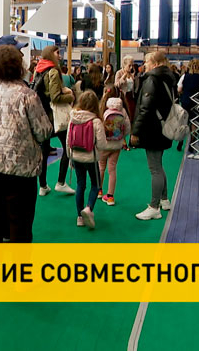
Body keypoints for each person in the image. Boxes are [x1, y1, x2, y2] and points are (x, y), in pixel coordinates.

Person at [0, 45, 53, 242]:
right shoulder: (27, 95)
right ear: (18, 66)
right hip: (20, 170)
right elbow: (43, 132)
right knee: (20, 225)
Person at [131, 52, 177, 220]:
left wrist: (135, 131)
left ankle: (154, 206)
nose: (145, 65)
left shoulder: (152, 79)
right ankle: (164, 199)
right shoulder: (169, 78)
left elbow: (145, 107)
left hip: (153, 129)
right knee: (159, 165)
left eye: (147, 62)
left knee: (155, 168)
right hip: (163, 127)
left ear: (155, 63)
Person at [33, 45, 76, 196]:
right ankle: (61, 182)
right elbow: (55, 97)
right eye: (57, 53)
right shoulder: (53, 71)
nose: (60, 55)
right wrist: (70, 96)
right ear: (51, 54)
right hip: (54, 116)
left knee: (44, 151)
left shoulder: (38, 69)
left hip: (42, 115)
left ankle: (43, 186)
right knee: (67, 147)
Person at [67, 90, 108, 228]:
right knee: (96, 184)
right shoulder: (96, 121)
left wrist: (70, 157)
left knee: (80, 184)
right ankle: (89, 208)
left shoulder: (73, 118)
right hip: (91, 158)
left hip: (76, 157)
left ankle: (79, 216)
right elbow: (102, 144)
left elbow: (68, 141)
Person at [98, 86, 130, 206]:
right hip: (117, 145)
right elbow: (127, 128)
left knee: (101, 167)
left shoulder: (103, 109)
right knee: (112, 169)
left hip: (104, 145)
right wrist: (121, 137)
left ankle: (99, 191)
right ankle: (110, 196)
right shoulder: (123, 110)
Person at [178, 58, 199, 155]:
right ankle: (191, 144)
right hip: (197, 103)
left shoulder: (184, 76)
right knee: (195, 124)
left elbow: (179, 89)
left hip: (186, 102)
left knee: (184, 123)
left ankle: (181, 141)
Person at [114, 55, 137, 119]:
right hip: (123, 96)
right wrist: (123, 77)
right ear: (124, 65)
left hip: (131, 96)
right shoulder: (119, 73)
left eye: (132, 65)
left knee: (132, 114)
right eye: (129, 65)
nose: (131, 67)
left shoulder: (132, 74)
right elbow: (116, 85)